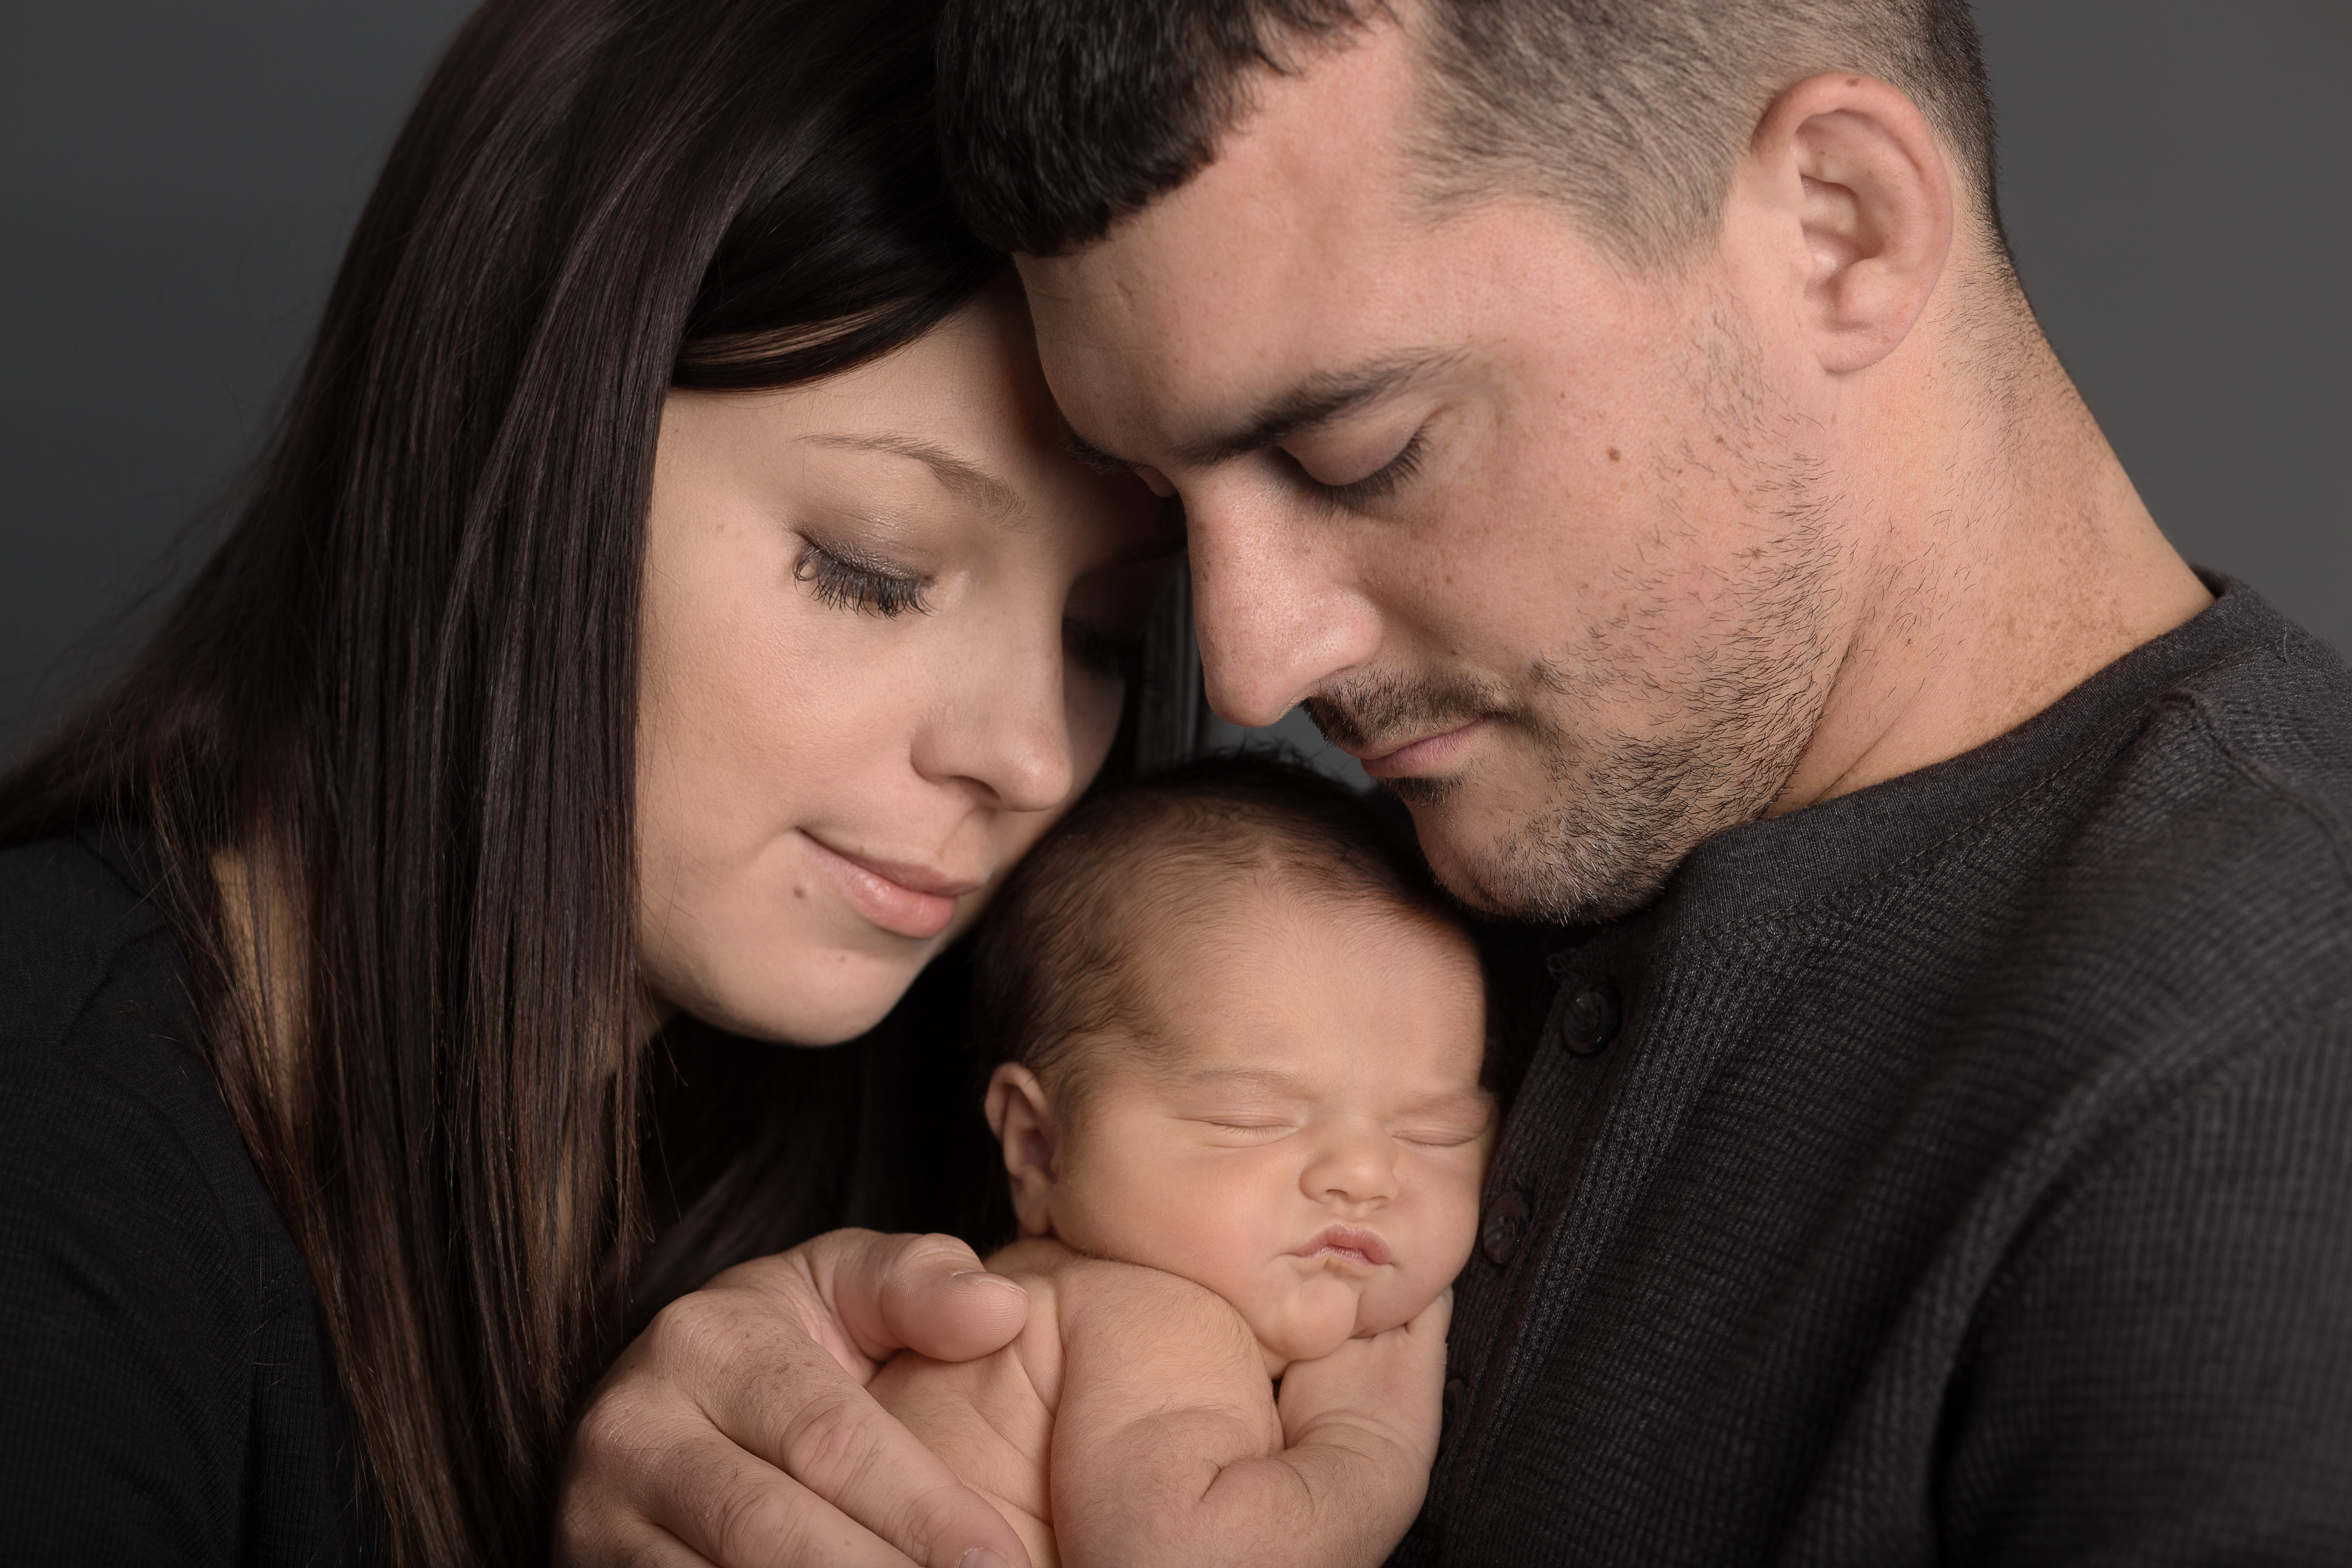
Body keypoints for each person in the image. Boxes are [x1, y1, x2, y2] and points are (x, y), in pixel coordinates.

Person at [555, 0, 2352, 1562]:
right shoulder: (1429, 875)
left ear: (1839, 227)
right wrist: (782, 1438)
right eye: (1175, 518)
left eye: (1363, 452)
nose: (1250, 668)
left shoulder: (2257, 1088)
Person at [0, 0, 1180, 1562]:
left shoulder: (957, 1155)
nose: (1031, 757)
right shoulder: (55, 1142)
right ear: (517, 440)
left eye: (1100, 637)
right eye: (874, 568)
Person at [873, 756, 1490, 1568]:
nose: (1367, 1176)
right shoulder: (1158, 1318)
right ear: (1041, 1146)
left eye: (1434, 1134)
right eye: (1250, 1120)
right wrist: (1367, 1441)